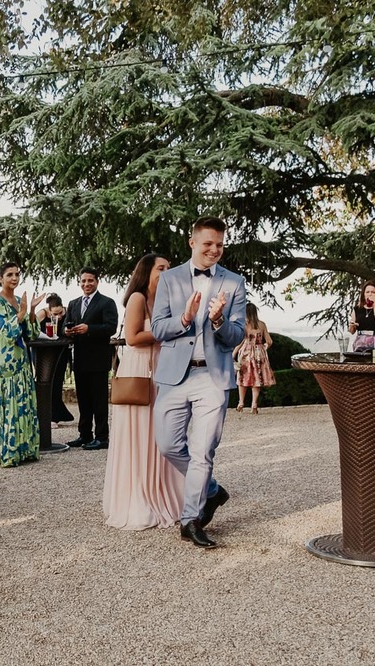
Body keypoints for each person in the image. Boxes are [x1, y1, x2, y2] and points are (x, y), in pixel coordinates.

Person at [151, 216, 246, 548]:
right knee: (168, 445)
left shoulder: (235, 283)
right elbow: (158, 328)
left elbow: (237, 336)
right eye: (208, 244)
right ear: (192, 243)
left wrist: (218, 320)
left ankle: (190, 519)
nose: (215, 250)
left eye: (220, 244)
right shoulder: (170, 279)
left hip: (213, 376)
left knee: (203, 450)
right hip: (174, 376)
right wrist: (185, 318)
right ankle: (211, 491)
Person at [103, 254, 184, 530]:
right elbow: (133, 337)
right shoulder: (137, 298)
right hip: (139, 370)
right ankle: (138, 496)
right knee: (139, 436)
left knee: (161, 435)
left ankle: (163, 493)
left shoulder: (166, 301)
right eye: (161, 268)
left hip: (161, 369)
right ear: (146, 272)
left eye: (169, 268)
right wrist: (170, 330)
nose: (166, 272)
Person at [0, 262, 45, 467]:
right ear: (0, 278)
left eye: (17, 274)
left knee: (22, 403)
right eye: (9, 274)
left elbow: (31, 334)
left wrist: (31, 311)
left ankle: (25, 449)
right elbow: (8, 332)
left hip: (21, 359)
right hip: (4, 359)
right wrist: (20, 314)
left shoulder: (19, 300)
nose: (14, 278)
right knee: (9, 404)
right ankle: (8, 451)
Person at [64, 268, 119, 451]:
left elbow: (110, 327)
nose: (86, 284)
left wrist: (90, 329)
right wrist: (66, 330)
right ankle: (85, 434)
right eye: (83, 281)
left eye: (90, 281)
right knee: (84, 401)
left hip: (98, 360)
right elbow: (65, 324)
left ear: (97, 281)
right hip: (79, 359)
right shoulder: (73, 303)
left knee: (99, 402)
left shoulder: (107, 302)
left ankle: (102, 437)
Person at [35, 293, 73, 425]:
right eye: (55, 314)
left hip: (61, 351)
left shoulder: (69, 311)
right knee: (45, 382)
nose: (59, 316)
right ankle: (46, 415)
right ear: (49, 310)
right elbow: (31, 328)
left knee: (57, 382)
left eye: (60, 313)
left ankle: (55, 415)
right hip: (44, 352)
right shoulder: (41, 314)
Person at [233, 303, 275, 414]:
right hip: (258, 353)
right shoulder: (262, 325)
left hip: (246, 353)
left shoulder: (244, 325)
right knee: (257, 378)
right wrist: (263, 348)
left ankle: (241, 402)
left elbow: (240, 341)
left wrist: (234, 353)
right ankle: (254, 404)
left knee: (243, 378)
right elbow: (269, 341)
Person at [348, 280, 375, 351]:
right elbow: (352, 331)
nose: (370, 294)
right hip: (360, 343)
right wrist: (352, 326)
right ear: (364, 294)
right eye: (367, 292)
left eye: (373, 292)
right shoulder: (357, 309)